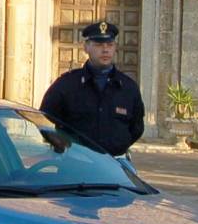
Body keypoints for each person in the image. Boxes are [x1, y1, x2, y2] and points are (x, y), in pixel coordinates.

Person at [40, 20, 145, 159]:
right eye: (99, 45)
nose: (105, 50)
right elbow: (43, 119)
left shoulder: (128, 88)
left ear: (115, 47)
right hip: (76, 163)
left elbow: (136, 127)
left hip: (115, 164)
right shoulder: (66, 85)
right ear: (86, 47)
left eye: (110, 44)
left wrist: (118, 145)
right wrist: (61, 145)